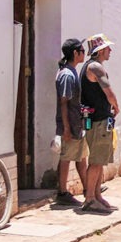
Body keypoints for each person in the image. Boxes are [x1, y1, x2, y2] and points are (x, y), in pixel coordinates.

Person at [80, 33, 120, 214]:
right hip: (99, 121)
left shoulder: (88, 66)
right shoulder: (96, 67)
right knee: (96, 161)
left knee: (99, 159)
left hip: (93, 120)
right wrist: (116, 107)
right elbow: (108, 93)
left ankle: (97, 196)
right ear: (100, 50)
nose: (110, 50)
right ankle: (90, 199)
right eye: (107, 47)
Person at [54, 38, 88, 207]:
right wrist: (66, 128)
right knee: (67, 157)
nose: (84, 53)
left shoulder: (71, 71)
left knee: (81, 156)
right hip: (70, 124)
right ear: (75, 53)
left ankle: (88, 188)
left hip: (77, 123)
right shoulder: (67, 75)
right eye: (82, 51)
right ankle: (62, 192)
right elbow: (64, 102)